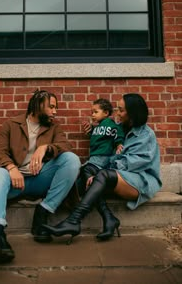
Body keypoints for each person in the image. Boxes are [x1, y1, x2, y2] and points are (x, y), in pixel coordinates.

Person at [0, 90, 81, 263]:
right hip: (14, 183)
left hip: (39, 179)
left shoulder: (54, 126)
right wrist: (11, 167)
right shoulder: (11, 124)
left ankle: (43, 212)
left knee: (71, 159)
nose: (55, 111)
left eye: (56, 108)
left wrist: (45, 148)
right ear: (38, 105)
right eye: (51, 107)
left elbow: (64, 145)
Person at [43, 93, 162, 243]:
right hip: (117, 176)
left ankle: (74, 221)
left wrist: (101, 171)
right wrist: (93, 131)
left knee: (102, 174)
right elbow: (105, 148)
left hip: (140, 180)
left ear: (132, 113)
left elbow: (133, 163)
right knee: (86, 173)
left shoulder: (146, 134)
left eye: (121, 110)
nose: (117, 113)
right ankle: (108, 218)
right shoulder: (118, 128)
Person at [80, 98, 124, 191]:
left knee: (85, 170)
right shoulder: (98, 126)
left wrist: (119, 143)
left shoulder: (109, 124)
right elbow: (99, 135)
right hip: (95, 158)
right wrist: (90, 129)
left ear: (106, 113)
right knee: (87, 180)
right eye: (92, 112)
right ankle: (100, 203)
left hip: (102, 157)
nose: (93, 115)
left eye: (96, 112)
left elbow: (116, 131)